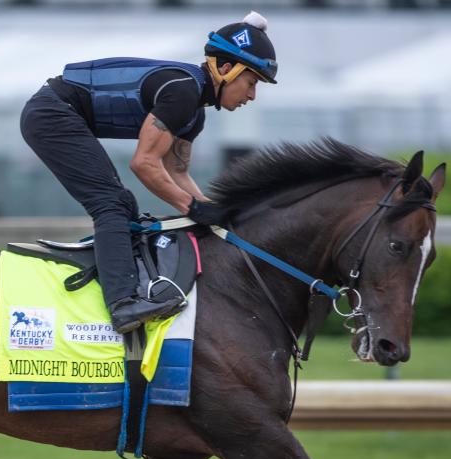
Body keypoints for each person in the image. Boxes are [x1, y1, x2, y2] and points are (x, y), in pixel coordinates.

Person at [20, 11, 278, 334]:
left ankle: (120, 291)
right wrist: (193, 208)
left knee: (123, 206)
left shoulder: (194, 113)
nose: (252, 96)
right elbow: (143, 164)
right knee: (111, 204)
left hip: (63, 114)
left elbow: (177, 173)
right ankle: (122, 304)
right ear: (226, 69)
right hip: (51, 113)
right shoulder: (183, 93)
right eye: (251, 83)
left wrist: (217, 213)